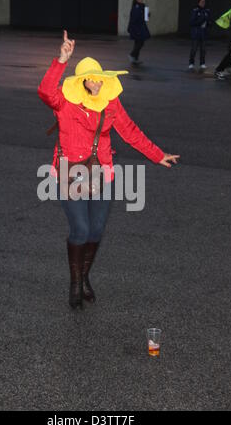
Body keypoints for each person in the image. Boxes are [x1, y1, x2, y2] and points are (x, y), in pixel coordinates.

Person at [38, 30, 180, 310]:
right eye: (89, 78)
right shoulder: (65, 103)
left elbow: (130, 131)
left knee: (97, 230)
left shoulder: (111, 103)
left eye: (98, 77)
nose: (95, 82)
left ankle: (84, 276)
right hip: (70, 171)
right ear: (80, 82)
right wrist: (61, 60)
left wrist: (157, 154)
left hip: (102, 173)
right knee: (80, 228)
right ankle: (75, 283)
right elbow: (45, 91)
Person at [127, 0, 150, 65]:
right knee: (140, 42)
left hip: (141, 26)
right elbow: (134, 18)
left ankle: (135, 58)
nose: (141, 0)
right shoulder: (136, 7)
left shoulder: (142, 6)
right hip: (137, 27)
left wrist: (147, 15)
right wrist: (132, 28)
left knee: (138, 42)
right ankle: (132, 55)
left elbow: (143, 17)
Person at [189, 0, 211, 70]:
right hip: (196, 33)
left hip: (203, 34)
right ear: (198, 3)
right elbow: (192, 22)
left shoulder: (207, 11)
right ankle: (191, 63)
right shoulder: (195, 10)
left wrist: (209, 23)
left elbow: (209, 20)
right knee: (194, 49)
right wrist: (201, 20)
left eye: (204, 2)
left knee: (203, 50)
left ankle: (202, 63)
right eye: (201, 2)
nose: (203, 3)